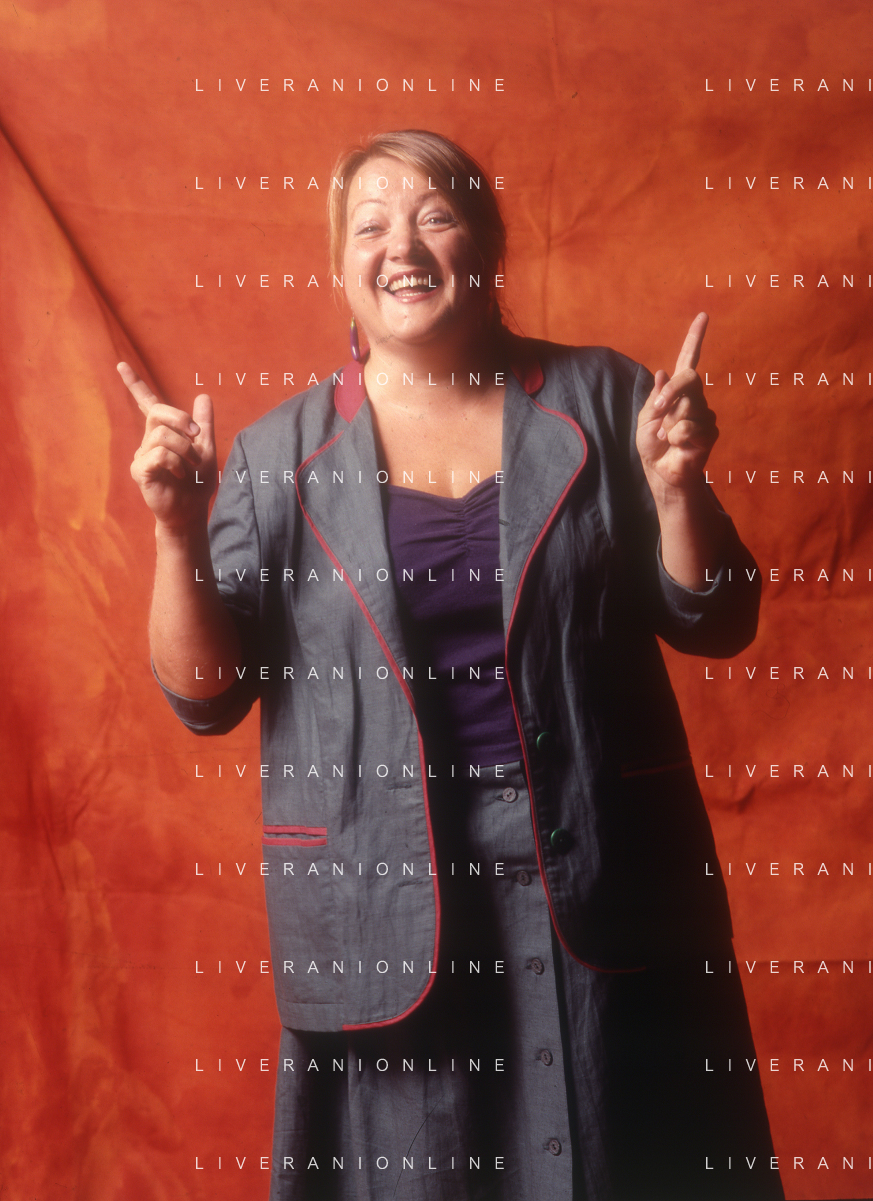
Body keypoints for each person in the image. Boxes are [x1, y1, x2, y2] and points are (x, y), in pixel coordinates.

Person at [121, 129, 784, 1200]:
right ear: (339, 266)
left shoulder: (606, 398)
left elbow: (717, 619)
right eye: (370, 225)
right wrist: (176, 529)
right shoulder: (274, 457)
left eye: (436, 215)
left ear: (487, 244)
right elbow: (205, 695)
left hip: (600, 873)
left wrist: (676, 492)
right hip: (382, 892)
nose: (403, 245)